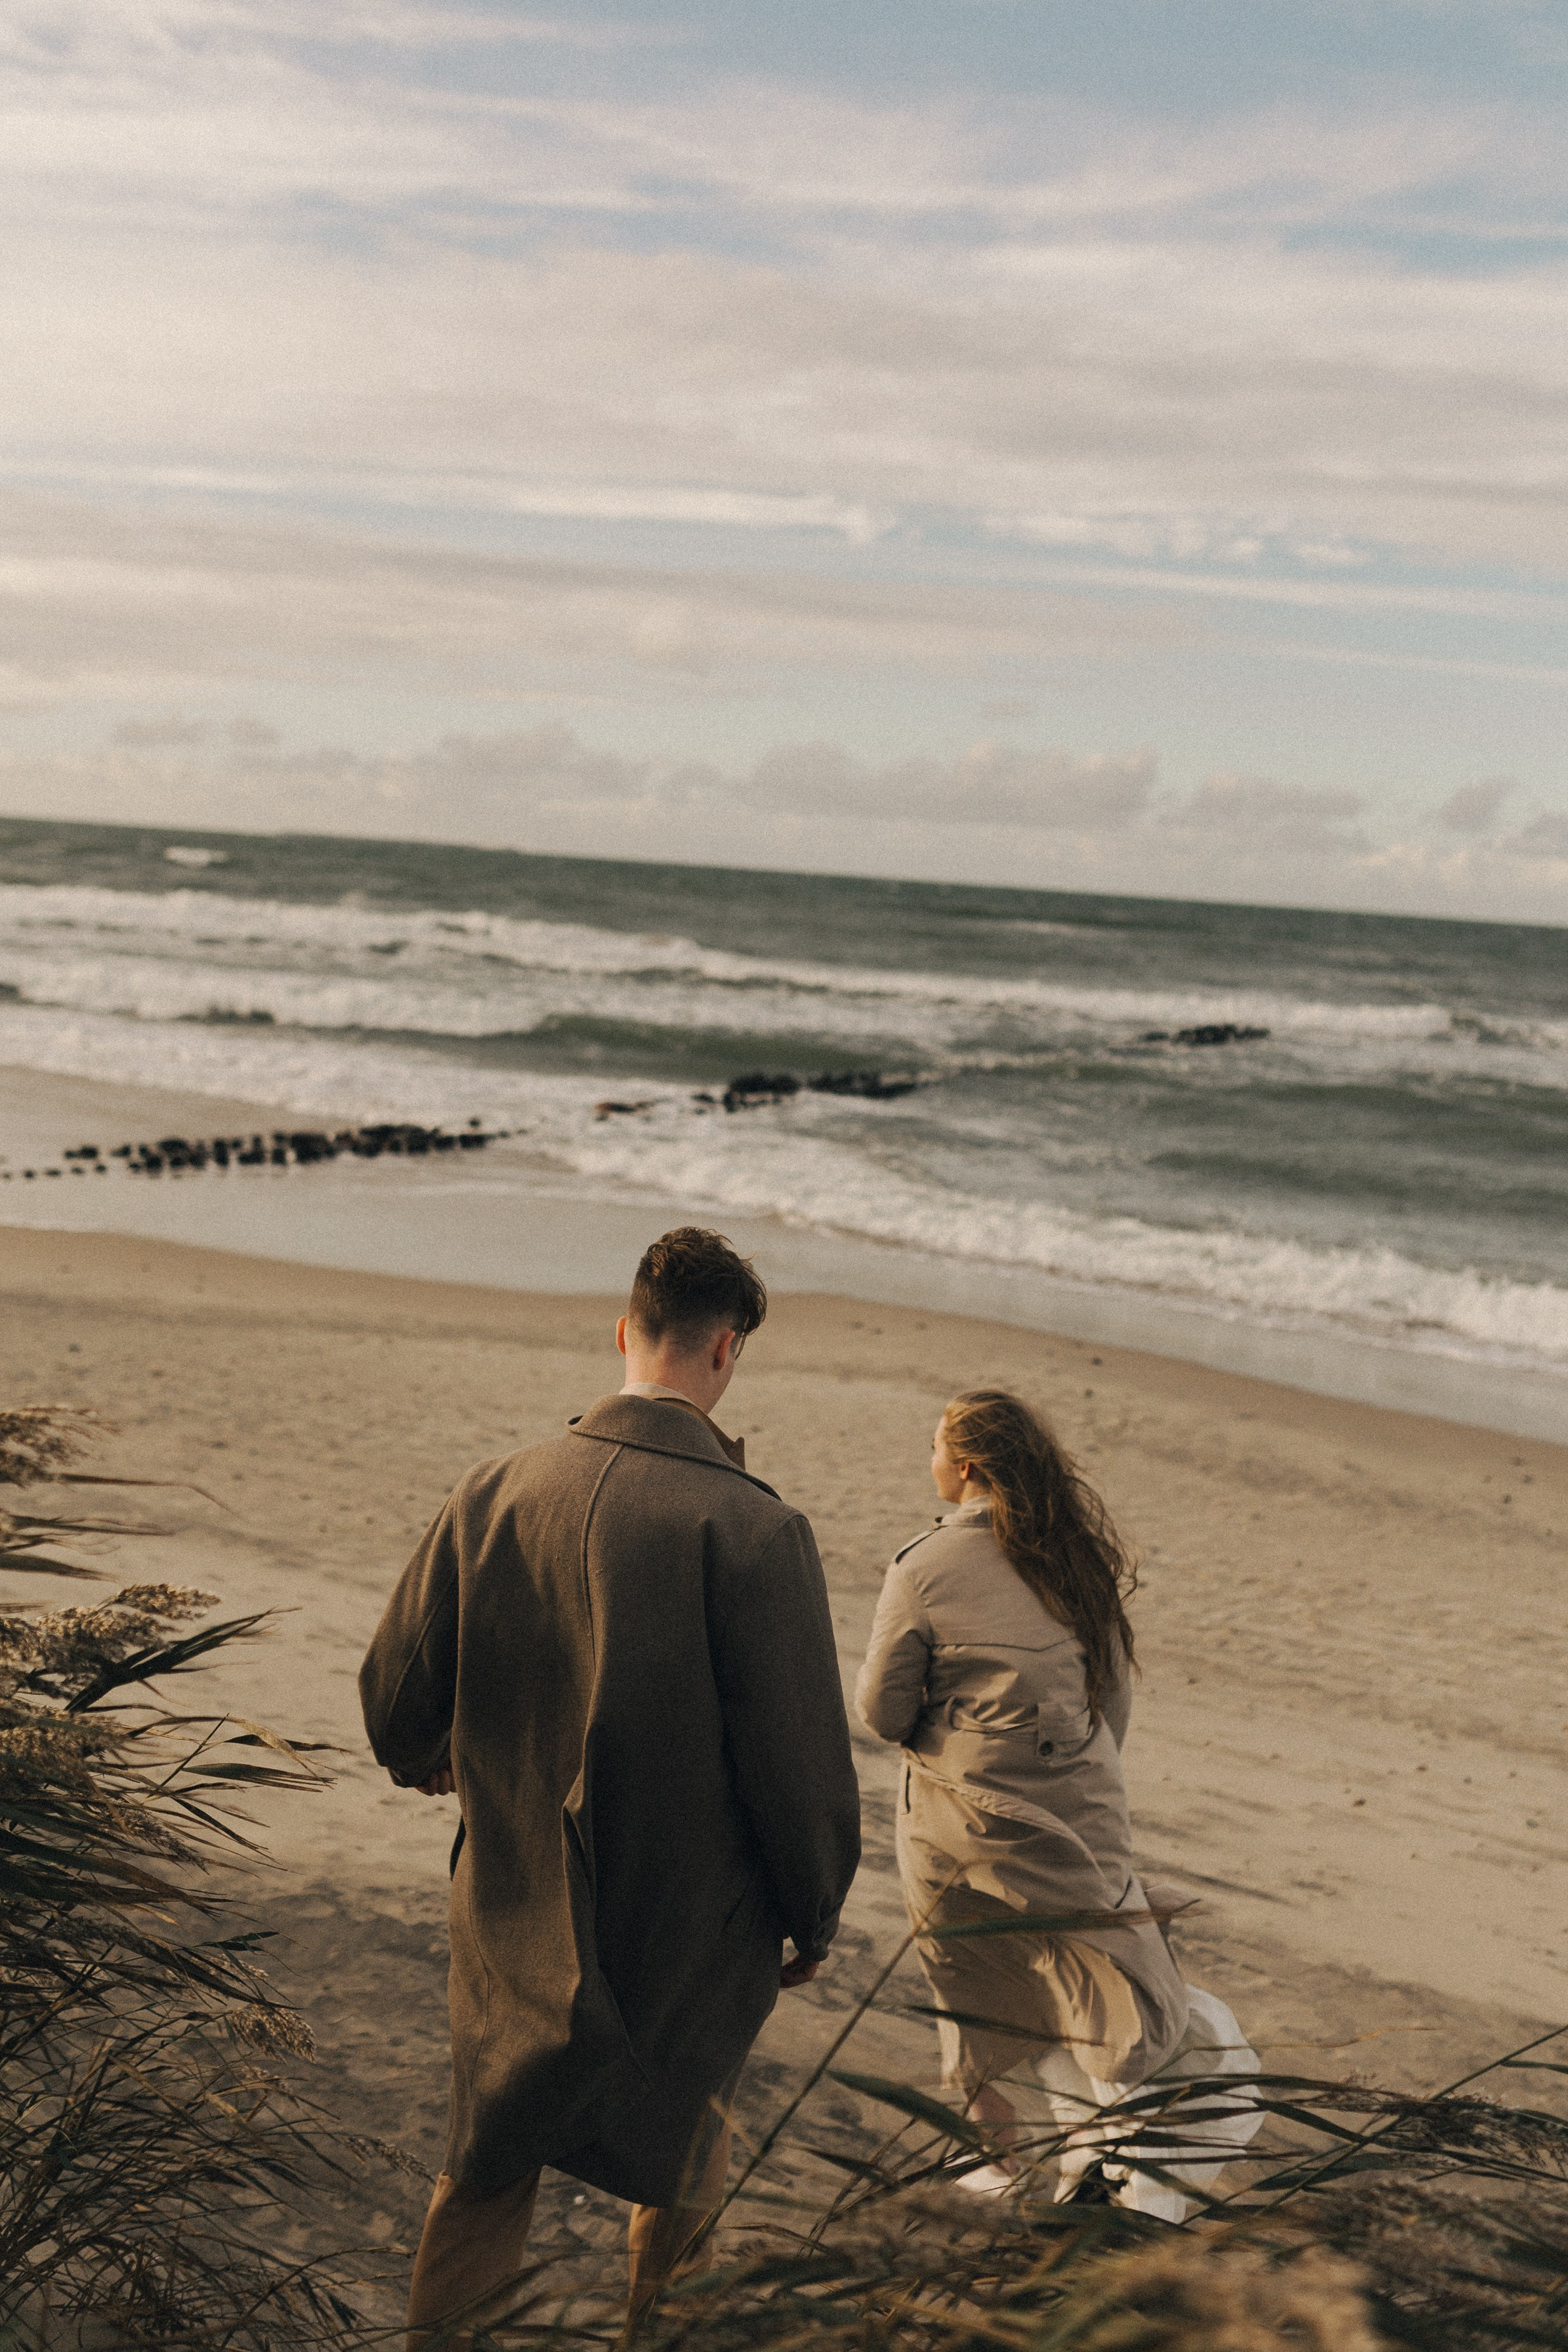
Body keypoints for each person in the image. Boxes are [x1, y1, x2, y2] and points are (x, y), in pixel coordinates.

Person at [361, 1228, 861, 2343]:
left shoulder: (495, 1491)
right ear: (725, 1350)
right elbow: (798, 1768)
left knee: (485, 2173)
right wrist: (812, 1908)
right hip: (685, 1926)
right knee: (682, 2180)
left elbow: (397, 1696)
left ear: (624, 1332)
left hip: (517, 1901)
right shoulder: (756, 1529)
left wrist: (430, 1756)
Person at [857, 1387, 1256, 2213]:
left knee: (968, 1966)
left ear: (968, 1468)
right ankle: (1109, 2149)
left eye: (935, 1448)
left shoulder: (923, 1567)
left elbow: (882, 1713)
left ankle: (993, 2144)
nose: (930, 1461)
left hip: (961, 1821)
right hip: (1079, 1813)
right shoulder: (1077, 1560)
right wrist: (1068, 1772)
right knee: (1099, 1962)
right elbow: (1113, 1704)